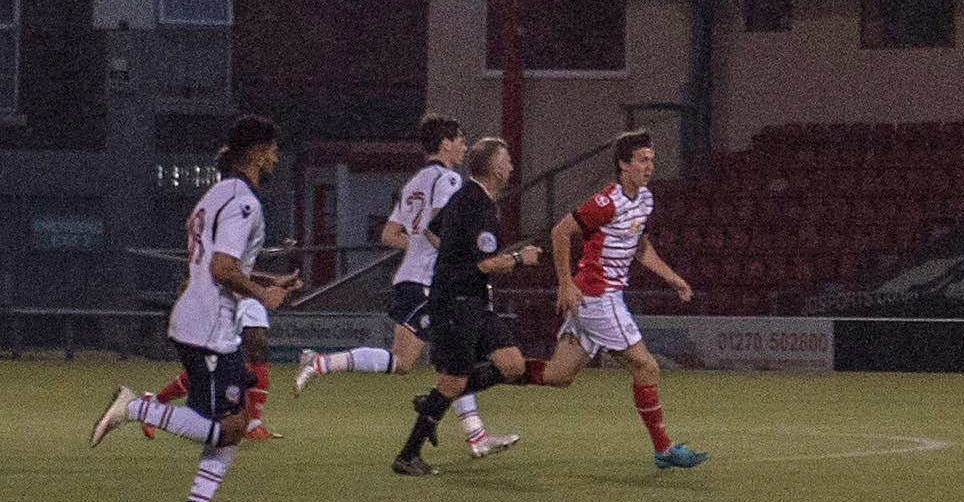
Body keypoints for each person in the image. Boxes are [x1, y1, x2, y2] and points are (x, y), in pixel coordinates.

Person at [93, 113, 293, 502]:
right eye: (272, 149)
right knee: (228, 428)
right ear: (256, 154)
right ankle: (135, 407)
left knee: (233, 422)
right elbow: (222, 268)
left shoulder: (215, 195)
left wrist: (264, 280)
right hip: (209, 329)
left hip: (199, 321)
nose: (277, 157)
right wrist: (263, 294)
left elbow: (210, 267)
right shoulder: (243, 202)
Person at [525, 131, 705, 469]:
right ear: (623, 164)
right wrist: (564, 283)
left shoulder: (645, 199)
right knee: (646, 366)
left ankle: (491, 372)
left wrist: (673, 278)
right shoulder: (605, 203)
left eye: (651, 160)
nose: (649, 166)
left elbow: (641, 248)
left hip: (600, 298)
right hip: (598, 295)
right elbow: (560, 232)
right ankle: (664, 450)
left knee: (557, 376)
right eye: (642, 160)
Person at [392, 135, 550, 474]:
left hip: (474, 301)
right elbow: (487, 264)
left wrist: (452, 255)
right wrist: (522, 258)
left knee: (512, 364)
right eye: (506, 159)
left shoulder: (465, 196)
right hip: (456, 303)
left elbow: (434, 230)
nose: (511, 165)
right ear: (493, 168)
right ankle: (407, 456)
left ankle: (435, 401)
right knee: (453, 381)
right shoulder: (478, 205)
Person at [291, 115, 469, 383]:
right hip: (426, 281)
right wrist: (454, 252)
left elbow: (389, 234)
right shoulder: (450, 179)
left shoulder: (414, 183)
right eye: (461, 141)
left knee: (410, 360)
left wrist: (420, 246)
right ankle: (320, 363)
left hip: (412, 278)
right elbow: (438, 226)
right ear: (445, 144)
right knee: (451, 354)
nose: (465, 147)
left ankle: (321, 362)